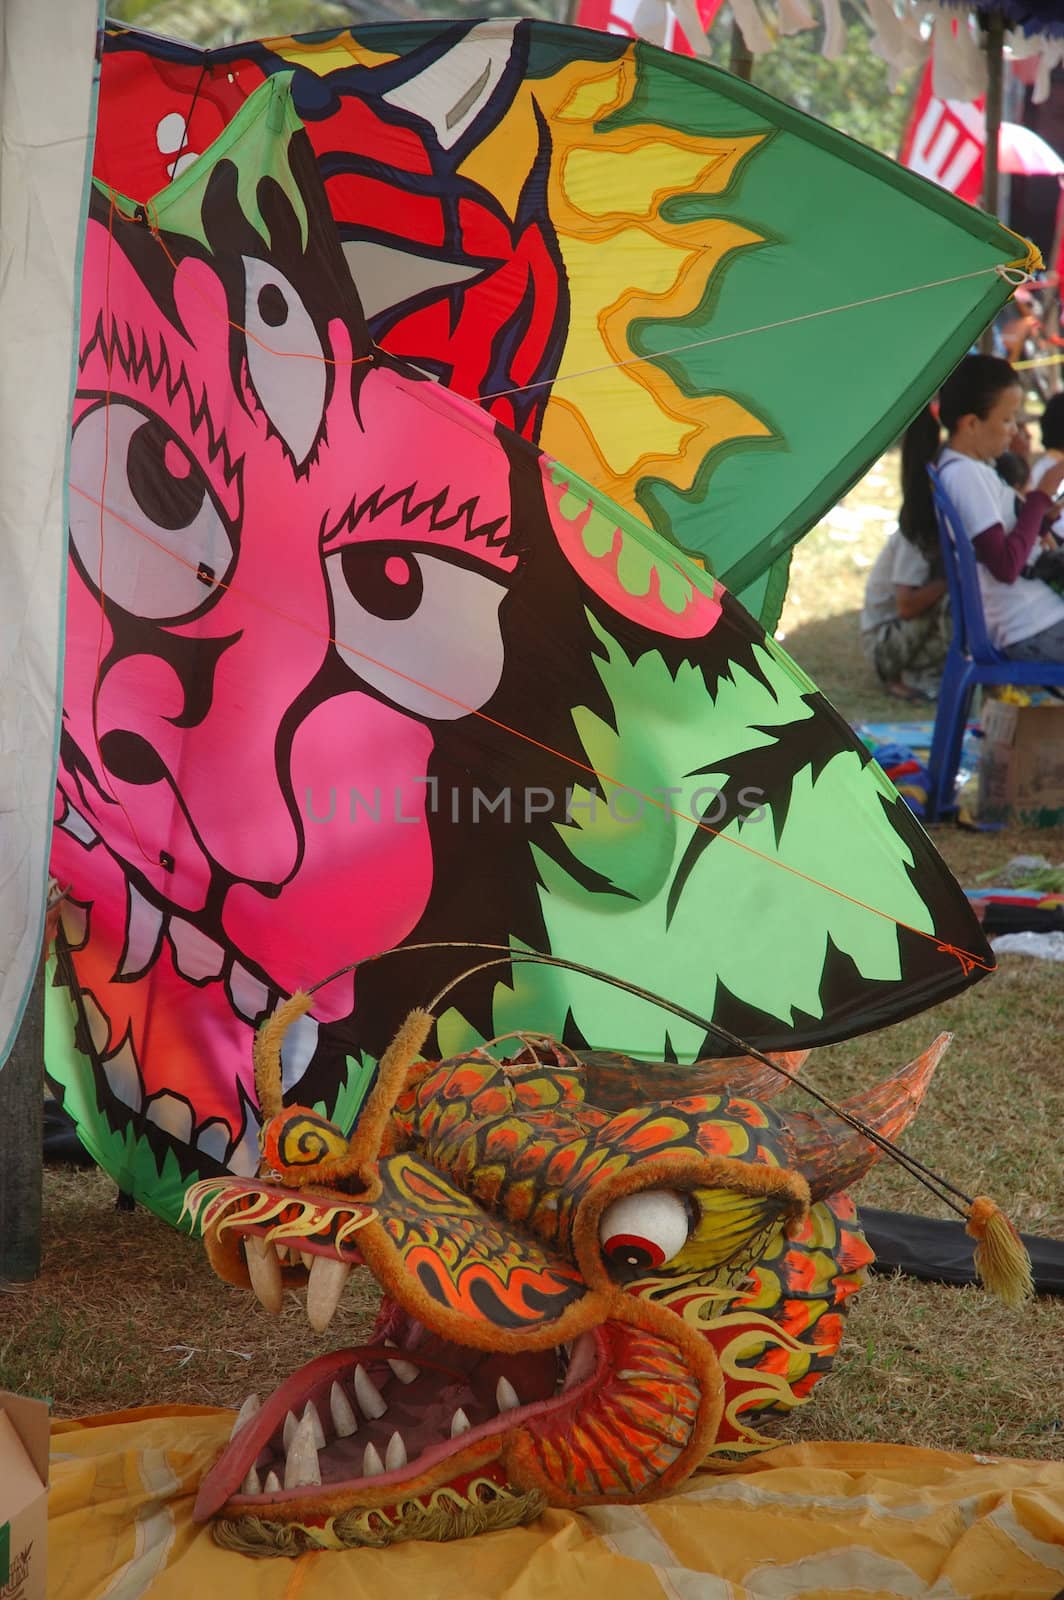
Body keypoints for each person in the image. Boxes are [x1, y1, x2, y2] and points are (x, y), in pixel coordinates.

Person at [903, 354, 1064, 663]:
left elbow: (1009, 539)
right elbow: (1004, 566)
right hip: (1030, 625)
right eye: (1006, 419)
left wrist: (1040, 519)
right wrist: (1040, 496)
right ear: (972, 424)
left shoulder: (971, 469)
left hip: (1036, 619)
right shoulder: (965, 475)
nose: (1014, 430)